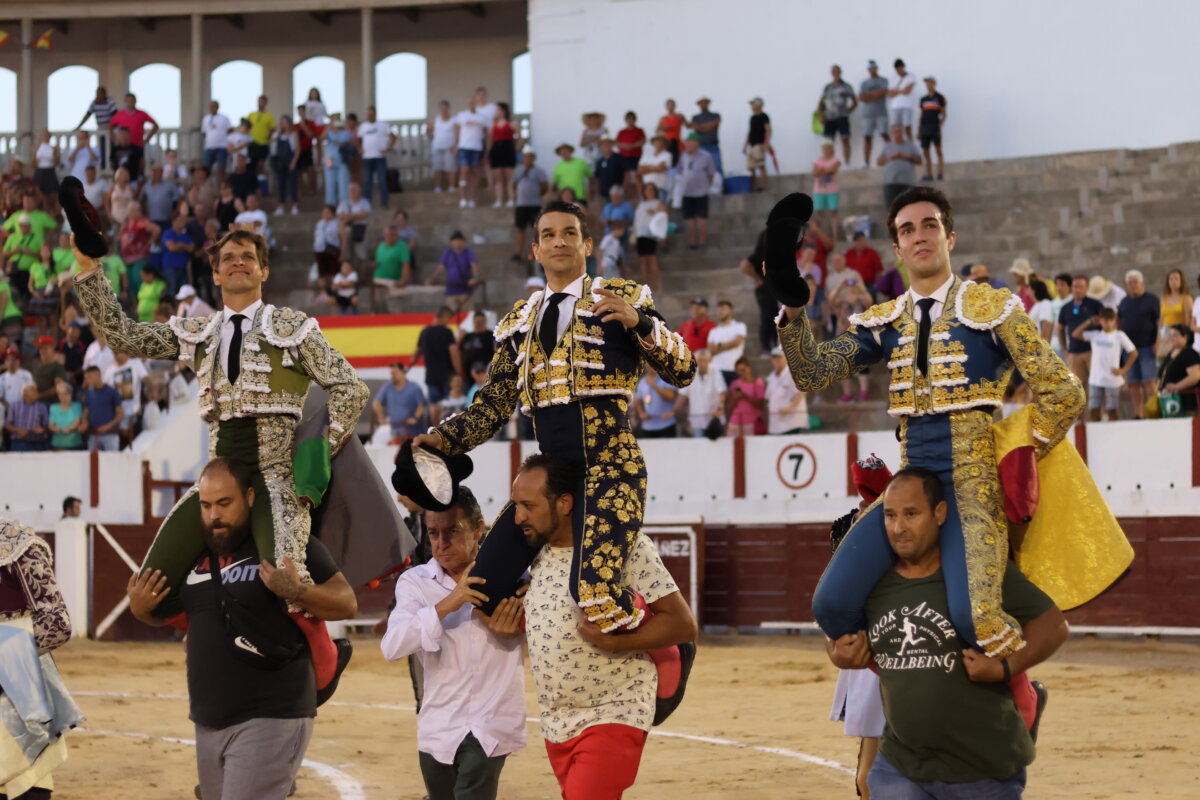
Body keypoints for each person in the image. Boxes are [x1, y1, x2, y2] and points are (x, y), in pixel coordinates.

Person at [771, 186, 1087, 660]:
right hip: (910, 486)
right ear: (897, 249)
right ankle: (910, 677)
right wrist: (793, 309)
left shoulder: (994, 309)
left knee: (977, 619)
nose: (919, 236)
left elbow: (1065, 392)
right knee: (831, 605)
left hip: (974, 483)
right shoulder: (885, 321)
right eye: (907, 230)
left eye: (929, 225)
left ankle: (1019, 692)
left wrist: (1020, 452)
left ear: (949, 238)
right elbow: (811, 373)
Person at [70, 220, 368, 674]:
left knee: (288, 583)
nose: (238, 263)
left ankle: (326, 662)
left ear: (264, 271)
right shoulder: (198, 333)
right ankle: (211, 631)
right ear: (215, 273)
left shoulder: (294, 328)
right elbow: (123, 336)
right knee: (150, 592)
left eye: (248, 257)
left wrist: (317, 452)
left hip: (275, 478)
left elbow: (351, 388)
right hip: (217, 481)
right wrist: (89, 269)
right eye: (228, 258)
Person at [412, 201, 695, 634]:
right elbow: (493, 405)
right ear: (536, 250)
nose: (559, 241)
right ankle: (549, 634)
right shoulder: (519, 322)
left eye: (569, 233)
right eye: (548, 235)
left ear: (588, 245)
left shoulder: (622, 297)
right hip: (549, 479)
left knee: (596, 592)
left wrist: (640, 323)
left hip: (611, 467)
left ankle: (667, 647)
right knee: (483, 589)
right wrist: (442, 438)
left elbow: (684, 370)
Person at [826, 468, 1068, 798]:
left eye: (911, 514)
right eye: (890, 515)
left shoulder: (979, 573)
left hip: (982, 770)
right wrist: (835, 651)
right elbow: (838, 624)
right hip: (902, 766)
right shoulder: (873, 581)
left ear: (939, 513)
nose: (898, 527)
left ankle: (1027, 704)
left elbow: (1054, 626)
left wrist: (1005, 668)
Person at [125, 457, 357, 800]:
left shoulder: (281, 546)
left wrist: (298, 591)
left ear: (249, 497)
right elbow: (190, 620)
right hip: (208, 720)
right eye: (206, 506)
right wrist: (142, 611)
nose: (214, 516)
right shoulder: (194, 557)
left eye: (224, 503)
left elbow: (346, 602)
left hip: (272, 713)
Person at [512, 453, 697, 799]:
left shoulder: (623, 545)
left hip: (615, 708)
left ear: (564, 503)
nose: (518, 517)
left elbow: (683, 625)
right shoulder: (533, 553)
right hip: (556, 720)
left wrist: (617, 644)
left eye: (528, 506)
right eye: (516, 505)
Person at [381, 485, 526, 800]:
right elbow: (392, 647)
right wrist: (449, 603)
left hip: (490, 724)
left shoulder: (517, 578)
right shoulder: (416, 582)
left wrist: (520, 628)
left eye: (453, 531)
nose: (441, 543)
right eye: (434, 533)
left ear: (478, 529)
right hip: (438, 727)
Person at [1073, 307, 1137, 422]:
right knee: (1094, 410)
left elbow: (1134, 353)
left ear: (1114, 320)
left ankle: (1114, 431)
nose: (1107, 323)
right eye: (1105, 320)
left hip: (1111, 379)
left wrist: (1123, 369)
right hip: (1096, 379)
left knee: (1112, 410)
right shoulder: (1095, 335)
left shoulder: (1119, 335)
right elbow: (1075, 334)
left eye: (1110, 320)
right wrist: (1089, 322)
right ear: (1100, 320)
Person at [1117, 269, 1160, 417]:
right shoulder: (1124, 302)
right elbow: (1119, 322)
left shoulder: (1152, 299)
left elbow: (1159, 322)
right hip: (1129, 350)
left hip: (1147, 346)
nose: (1133, 285)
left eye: (1135, 282)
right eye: (1129, 283)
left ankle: (1154, 412)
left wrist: (1158, 342)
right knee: (1133, 383)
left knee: (1149, 381)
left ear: (1142, 283)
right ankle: (1139, 414)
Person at [413, 307, 462, 413]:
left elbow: (416, 353)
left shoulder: (425, 332)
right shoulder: (447, 332)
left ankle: (435, 424)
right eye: (449, 318)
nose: (449, 321)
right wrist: (459, 372)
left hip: (431, 376)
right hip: (447, 377)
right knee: (448, 408)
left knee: (434, 408)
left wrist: (411, 362)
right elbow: (454, 353)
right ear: (445, 316)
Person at [1056, 275, 1103, 385]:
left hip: (1092, 351)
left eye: (1081, 287)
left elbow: (1104, 325)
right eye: (1075, 287)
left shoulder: (1095, 305)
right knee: (1078, 386)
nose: (1077, 290)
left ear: (1087, 288)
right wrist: (1065, 350)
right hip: (1074, 352)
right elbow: (1060, 329)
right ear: (1071, 288)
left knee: (1096, 383)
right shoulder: (1066, 308)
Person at [373, 362, 428, 443]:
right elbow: (376, 403)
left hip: (414, 433)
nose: (392, 375)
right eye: (391, 373)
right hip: (396, 433)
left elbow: (421, 405)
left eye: (395, 373)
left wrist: (415, 418)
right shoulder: (388, 387)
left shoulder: (414, 388)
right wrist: (381, 418)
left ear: (403, 372)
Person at [679, 134, 716, 250]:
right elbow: (680, 171)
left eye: (690, 141)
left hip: (701, 193)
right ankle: (692, 243)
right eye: (687, 141)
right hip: (686, 192)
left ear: (696, 143)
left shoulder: (706, 156)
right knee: (689, 219)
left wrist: (706, 185)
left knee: (702, 219)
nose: (688, 144)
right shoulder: (683, 156)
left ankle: (702, 243)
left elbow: (711, 173)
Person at [512, 147, 549, 262]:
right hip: (521, 204)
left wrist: (536, 194)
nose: (528, 159)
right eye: (526, 156)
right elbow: (514, 184)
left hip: (534, 204)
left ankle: (535, 253)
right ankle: (518, 252)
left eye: (530, 156)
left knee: (535, 229)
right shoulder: (518, 170)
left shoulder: (539, 171)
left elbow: (544, 186)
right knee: (520, 229)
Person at [680, 349, 726, 437]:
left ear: (709, 361)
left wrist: (720, 408)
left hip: (713, 419)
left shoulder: (715, 371)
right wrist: (684, 419)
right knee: (698, 444)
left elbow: (722, 392)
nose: (702, 363)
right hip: (696, 420)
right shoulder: (690, 373)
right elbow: (682, 396)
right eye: (700, 360)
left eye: (704, 360)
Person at [454, 96, 489, 209]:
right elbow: (457, 130)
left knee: (475, 174)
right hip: (464, 147)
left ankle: (472, 198)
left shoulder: (482, 117)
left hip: (477, 148)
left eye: (473, 102)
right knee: (464, 171)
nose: (471, 104)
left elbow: (485, 133)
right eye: (469, 102)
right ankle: (463, 198)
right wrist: (456, 145)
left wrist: (487, 148)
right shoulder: (462, 115)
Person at [1158, 325, 1200, 416]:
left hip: (1187, 401)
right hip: (1170, 400)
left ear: (1185, 337)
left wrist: (1176, 387)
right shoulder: (1170, 354)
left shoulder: (1189, 353)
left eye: (1175, 335)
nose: (1172, 338)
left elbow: (1195, 376)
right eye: (1170, 335)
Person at [765, 346, 808, 434]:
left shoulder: (793, 372)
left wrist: (790, 407)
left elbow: (803, 389)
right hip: (777, 422)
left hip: (792, 421)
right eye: (774, 357)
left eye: (779, 357)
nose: (776, 360)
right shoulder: (771, 376)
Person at [878, 124, 923, 209]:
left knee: (908, 208)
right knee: (891, 208)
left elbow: (919, 161)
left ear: (902, 133)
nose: (897, 134)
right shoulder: (887, 146)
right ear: (891, 133)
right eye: (895, 132)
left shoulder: (910, 146)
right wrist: (890, 157)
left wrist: (908, 157)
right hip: (891, 183)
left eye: (899, 131)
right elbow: (879, 161)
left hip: (907, 183)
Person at [820, 65, 858, 165]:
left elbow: (854, 102)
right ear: (831, 73)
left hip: (842, 117)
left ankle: (847, 163)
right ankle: (830, 163)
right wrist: (821, 114)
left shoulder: (846, 86)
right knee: (829, 142)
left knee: (845, 139)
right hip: (829, 118)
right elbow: (821, 102)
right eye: (834, 71)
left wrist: (848, 111)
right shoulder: (827, 87)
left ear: (840, 72)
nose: (835, 73)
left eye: (837, 71)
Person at [359, 106, 395, 209]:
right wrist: (360, 149)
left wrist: (388, 149)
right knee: (367, 181)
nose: (369, 116)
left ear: (375, 114)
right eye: (368, 114)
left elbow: (393, 137)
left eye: (371, 114)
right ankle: (367, 204)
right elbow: (358, 139)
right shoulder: (363, 126)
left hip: (379, 157)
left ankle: (384, 203)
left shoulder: (383, 125)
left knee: (382, 180)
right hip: (367, 158)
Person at [74, 86, 119, 167]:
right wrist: (78, 126)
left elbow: (115, 115)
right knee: (102, 148)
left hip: (110, 130)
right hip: (101, 130)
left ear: (104, 94)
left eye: (101, 94)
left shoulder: (110, 102)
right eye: (98, 94)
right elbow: (87, 115)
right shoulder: (94, 103)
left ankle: (112, 164)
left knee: (111, 148)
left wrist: (111, 126)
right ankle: (103, 165)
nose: (99, 95)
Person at [427, 233, 479, 300]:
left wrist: (475, 278)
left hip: (465, 290)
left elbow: (474, 266)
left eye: (459, 241)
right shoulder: (447, 253)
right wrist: (431, 278)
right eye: (455, 241)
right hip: (451, 290)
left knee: (467, 306)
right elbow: (440, 268)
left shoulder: (468, 252)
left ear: (463, 242)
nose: (457, 243)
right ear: (451, 242)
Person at [858, 60, 891, 167]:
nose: (872, 69)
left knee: (884, 134)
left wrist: (869, 95)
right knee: (867, 137)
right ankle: (866, 162)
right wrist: (874, 95)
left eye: (873, 67)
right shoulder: (864, 83)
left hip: (881, 113)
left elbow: (883, 92)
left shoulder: (883, 80)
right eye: (870, 68)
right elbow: (862, 97)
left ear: (877, 68)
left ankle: (891, 157)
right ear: (868, 69)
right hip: (867, 114)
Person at [707, 299, 747, 386]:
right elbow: (710, 350)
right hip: (716, 370)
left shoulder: (739, 326)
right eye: (718, 309)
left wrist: (718, 346)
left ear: (731, 311)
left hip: (733, 369)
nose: (720, 312)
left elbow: (736, 342)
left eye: (723, 309)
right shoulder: (713, 331)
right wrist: (728, 345)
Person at [634, 365, 678, 438]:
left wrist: (654, 385)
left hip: (666, 423)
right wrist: (641, 413)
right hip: (648, 425)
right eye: (648, 364)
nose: (650, 367)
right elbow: (638, 401)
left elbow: (670, 397)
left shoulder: (667, 378)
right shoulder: (642, 381)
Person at [725, 356, 764, 437]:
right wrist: (736, 398)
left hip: (751, 422)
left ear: (749, 368)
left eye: (743, 370)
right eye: (738, 371)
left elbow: (761, 404)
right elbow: (730, 405)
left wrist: (745, 396)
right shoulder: (734, 384)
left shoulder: (757, 383)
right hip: (735, 422)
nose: (741, 373)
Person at [918, 77, 947, 181]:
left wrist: (939, 125)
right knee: (926, 151)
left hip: (935, 127)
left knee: (938, 150)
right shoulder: (923, 99)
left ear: (934, 84)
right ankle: (929, 174)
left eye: (930, 83)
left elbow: (944, 113)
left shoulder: (939, 98)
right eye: (926, 83)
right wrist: (919, 129)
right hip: (925, 127)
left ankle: (940, 173)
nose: (928, 85)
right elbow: (921, 115)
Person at [488, 102, 518, 207]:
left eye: (498, 110)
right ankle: (499, 200)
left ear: (504, 111)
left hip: (508, 150)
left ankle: (511, 199)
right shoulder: (493, 125)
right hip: (496, 151)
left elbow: (519, 137)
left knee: (509, 177)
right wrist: (489, 152)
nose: (496, 112)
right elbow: (490, 140)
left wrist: (516, 148)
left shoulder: (511, 123)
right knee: (498, 178)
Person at [4, 382, 48, 451]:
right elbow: (7, 425)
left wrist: (42, 430)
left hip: (36, 443)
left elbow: (46, 426)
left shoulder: (42, 407)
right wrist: (18, 430)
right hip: (18, 443)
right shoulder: (14, 406)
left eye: (36, 391)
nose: (37, 393)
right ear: (25, 392)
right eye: (33, 391)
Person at [373, 225, 413, 297]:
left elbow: (405, 264)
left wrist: (403, 281)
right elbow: (377, 263)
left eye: (395, 235)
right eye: (390, 234)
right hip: (378, 281)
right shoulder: (380, 246)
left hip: (393, 282)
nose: (392, 237)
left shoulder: (402, 246)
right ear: (385, 235)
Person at [161, 215, 195, 298]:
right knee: (172, 289)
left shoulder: (186, 235)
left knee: (183, 290)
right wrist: (184, 246)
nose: (183, 223)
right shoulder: (168, 233)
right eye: (180, 220)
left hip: (183, 267)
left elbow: (191, 248)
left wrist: (180, 245)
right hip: (170, 267)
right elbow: (172, 248)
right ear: (174, 222)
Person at [323, 115, 353, 208]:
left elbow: (340, 143)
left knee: (343, 185)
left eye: (337, 121)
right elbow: (321, 138)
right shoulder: (328, 132)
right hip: (330, 163)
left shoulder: (345, 133)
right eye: (333, 121)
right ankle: (330, 206)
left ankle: (343, 206)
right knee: (330, 185)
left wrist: (335, 132)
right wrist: (328, 127)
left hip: (342, 162)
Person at [272, 115, 301, 216]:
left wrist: (294, 162)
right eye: (282, 122)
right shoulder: (278, 135)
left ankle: (295, 205)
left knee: (293, 184)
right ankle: (281, 205)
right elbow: (272, 143)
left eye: (285, 122)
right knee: (281, 184)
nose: (284, 124)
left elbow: (297, 150)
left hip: (291, 160)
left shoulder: (294, 134)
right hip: (281, 162)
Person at [812, 141, 841, 233]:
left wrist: (821, 170)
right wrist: (826, 170)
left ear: (831, 149)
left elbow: (832, 169)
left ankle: (835, 235)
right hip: (819, 191)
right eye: (824, 148)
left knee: (834, 213)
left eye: (828, 148)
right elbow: (814, 173)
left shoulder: (836, 161)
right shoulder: (817, 160)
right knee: (819, 213)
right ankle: (819, 234)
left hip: (832, 191)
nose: (826, 150)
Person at [428, 100, 457, 194]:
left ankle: (451, 186)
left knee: (450, 168)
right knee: (437, 168)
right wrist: (430, 135)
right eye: (441, 108)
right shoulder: (436, 120)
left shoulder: (453, 120)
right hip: (437, 147)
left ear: (448, 109)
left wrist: (455, 145)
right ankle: (438, 187)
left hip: (449, 147)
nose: (443, 110)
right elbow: (429, 130)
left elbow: (456, 133)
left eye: (445, 108)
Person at [458, 312, 495, 384]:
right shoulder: (467, 337)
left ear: (485, 322)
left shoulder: (491, 336)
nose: (479, 324)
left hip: (485, 375)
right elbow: (460, 352)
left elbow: (496, 349)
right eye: (477, 321)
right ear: (473, 322)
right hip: (467, 377)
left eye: (481, 321)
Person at [690, 96, 723, 178]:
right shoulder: (695, 117)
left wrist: (701, 126)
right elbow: (696, 128)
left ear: (708, 104)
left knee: (717, 167)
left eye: (705, 103)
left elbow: (713, 125)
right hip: (702, 146)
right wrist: (708, 125)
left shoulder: (715, 115)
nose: (703, 105)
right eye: (702, 103)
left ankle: (722, 184)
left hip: (713, 145)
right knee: (702, 168)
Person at [744, 98, 772, 193]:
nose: (751, 106)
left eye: (753, 104)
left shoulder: (764, 116)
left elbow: (768, 129)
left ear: (758, 105)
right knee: (751, 167)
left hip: (759, 145)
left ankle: (763, 186)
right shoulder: (752, 118)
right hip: (752, 145)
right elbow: (750, 131)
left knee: (761, 166)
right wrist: (745, 145)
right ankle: (754, 187)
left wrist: (767, 143)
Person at [615, 111, 646, 196]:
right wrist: (626, 146)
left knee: (637, 176)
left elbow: (642, 141)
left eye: (632, 119)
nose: (630, 121)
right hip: (624, 157)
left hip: (635, 157)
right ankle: (623, 195)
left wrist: (631, 146)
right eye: (628, 119)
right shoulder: (622, 132)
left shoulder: (639, 131)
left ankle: (640, 195)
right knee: (626, 177)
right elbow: (616, 143)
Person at [886, 59, 918, 140]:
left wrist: (896, 91)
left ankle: (910, 146)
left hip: (906, 106)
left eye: (900, 69)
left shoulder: (911, 76)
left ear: (903, 67)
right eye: (897, 69)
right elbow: (890, 94)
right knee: (895, 129)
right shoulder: (893, 78)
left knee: (907, 128)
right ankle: (896, 146)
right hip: (895, 106)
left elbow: (907, 91)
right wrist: (902, 90)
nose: (899, 71)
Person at [49, 380, 85, 450]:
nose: (62, 396)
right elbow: (50, 424)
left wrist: (69, 428)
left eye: (64, 393)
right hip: (57, 444)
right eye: (59, 394)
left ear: (70, 394)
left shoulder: (76, 406)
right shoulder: (53, 407)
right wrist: (55, 428)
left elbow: (77, 421)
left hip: (74, 444)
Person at [201, 100, 233, 177]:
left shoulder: (224, 118)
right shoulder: (206, 118)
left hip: (221, 147)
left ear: (217, 107)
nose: (212, 108)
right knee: (206, 168)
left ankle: (221, 184)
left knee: (221, 168)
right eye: (211, 106)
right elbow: (204, 132)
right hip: (209, 147)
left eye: (214, 106)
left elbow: (230, 130)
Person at [246, 95, 275, 176]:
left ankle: (261, 180)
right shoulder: (251, 114)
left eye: (262, 102)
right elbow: (246, 125)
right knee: (251, 165)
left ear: (265, 103)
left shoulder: (269, 116)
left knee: (261, 165)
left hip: (263, 144)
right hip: (252, 144)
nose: (260, 103)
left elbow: (272, 129)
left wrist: (268, 137)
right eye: (259, 101)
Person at [593, 139, 627, 203]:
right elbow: (597, 177)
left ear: (612, 145)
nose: (606, 146)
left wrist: (623, 188)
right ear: (600, 147)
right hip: (603, 193)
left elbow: (626, 174)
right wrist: (597, 191)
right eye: (604, 145)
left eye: (608, 144)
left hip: (617, 193)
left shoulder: (619, 158)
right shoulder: (599, 161)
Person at [656, 100, 685, 165]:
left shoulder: (679, 116)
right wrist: (664, 128)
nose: (670, 107)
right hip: (667, 143)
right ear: (666, 107)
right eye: (668, 105)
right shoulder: (663, 118)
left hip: (677, 142)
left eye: (672, 105)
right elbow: (657, 130)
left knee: (678, 162)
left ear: (675, 106)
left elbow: (687, 125)